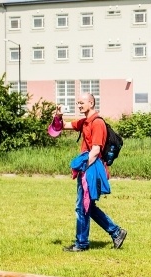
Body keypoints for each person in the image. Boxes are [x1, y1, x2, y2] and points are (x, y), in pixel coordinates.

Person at [54, 93, 127, 252]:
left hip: (92, 168)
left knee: (82, 206)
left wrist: (84, 168)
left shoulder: (97, 123)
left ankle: (81, 244)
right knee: (88, 206)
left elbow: (95, 150)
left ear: (91, 103)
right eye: (78, 103)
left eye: (82, 102)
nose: (79, 105)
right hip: (88, 167)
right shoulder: (84, 122)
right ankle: (116, 232)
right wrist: (58, 115)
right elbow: (62, 127)